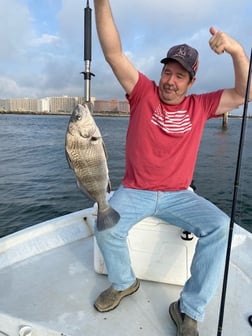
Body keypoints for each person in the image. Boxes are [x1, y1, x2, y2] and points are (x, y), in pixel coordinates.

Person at [93, 1, 252, 335]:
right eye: (168, 72)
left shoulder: (201, 105)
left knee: (222, 228)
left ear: (191, 81)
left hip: (179, 195)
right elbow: (113, 52)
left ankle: (187, 309)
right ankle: (124, 283)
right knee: (106, 227)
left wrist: (237, 49)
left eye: (180, 76)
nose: (170, 81)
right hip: (135, 190)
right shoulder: (142, 92)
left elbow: (243, 93)